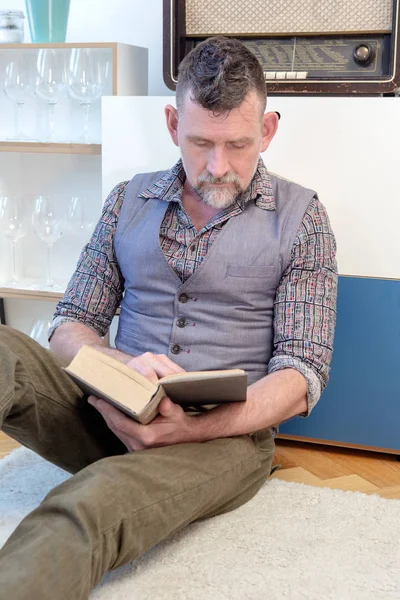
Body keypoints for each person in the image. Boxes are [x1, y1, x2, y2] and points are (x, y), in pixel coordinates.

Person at [0, 36, 338, 599]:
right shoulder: (125, 200)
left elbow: (303, 375)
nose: (217, 166)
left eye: (238, 145)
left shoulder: (303, 218)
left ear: (269, 130)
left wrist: (193, 427)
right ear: (171, 122)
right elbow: (69, 323)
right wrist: (118, 369)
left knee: (89, 503)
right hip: (108, 410)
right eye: (200, 141)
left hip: (224, 439)